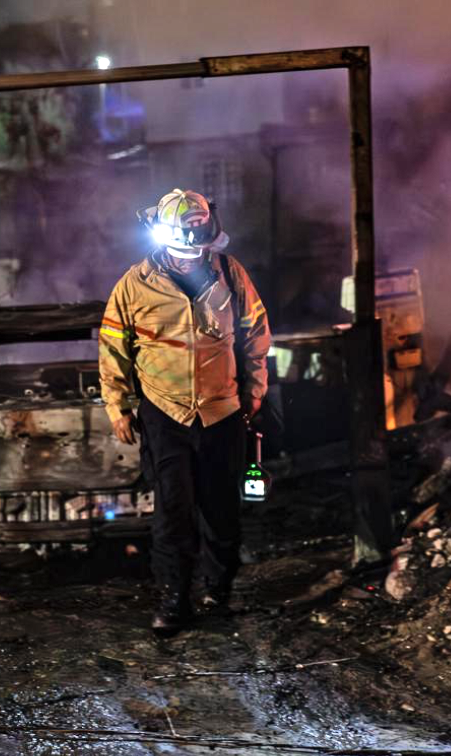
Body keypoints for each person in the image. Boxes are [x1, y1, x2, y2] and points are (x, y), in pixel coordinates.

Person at [99, 188, 271, 635]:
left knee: (221, 510)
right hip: (165, 413)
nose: (200, 242)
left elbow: (255, 336)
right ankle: (175, 599)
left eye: (204, 229)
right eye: (193, 231)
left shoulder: (231, 274)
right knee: (173, 513)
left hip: (223, 412)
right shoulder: (134, 285)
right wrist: (117, 406)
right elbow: (113, 350)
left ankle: (218, 591)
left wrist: (254, 392)